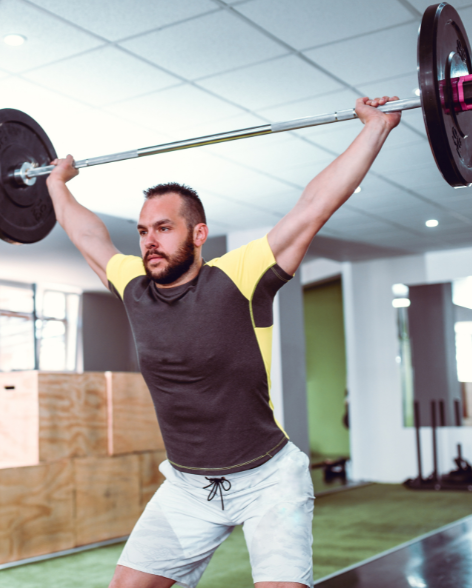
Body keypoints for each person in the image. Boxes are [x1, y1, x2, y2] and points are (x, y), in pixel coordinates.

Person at [47, 96, 401, 588]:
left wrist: (376, 128)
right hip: (189, 487)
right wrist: (55, 184)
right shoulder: (133, 284)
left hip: (268, 480)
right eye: (144, 230)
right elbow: (86, 234)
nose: (149, 241)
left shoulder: (238, 276)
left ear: (199, 234)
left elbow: (314, 206)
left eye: (164, 228)